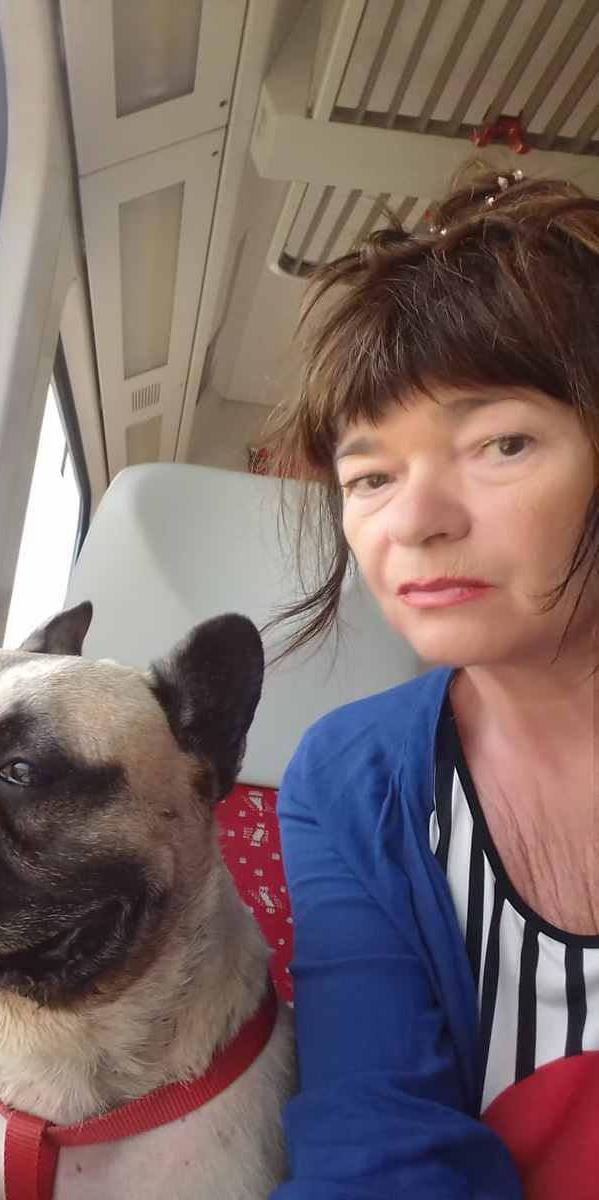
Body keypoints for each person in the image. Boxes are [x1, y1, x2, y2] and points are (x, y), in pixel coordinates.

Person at [266, 161, 598, 1199]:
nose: (414, 521)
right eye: (370, 476)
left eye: (501, 443)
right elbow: (375, 1143)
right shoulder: (349, 780)